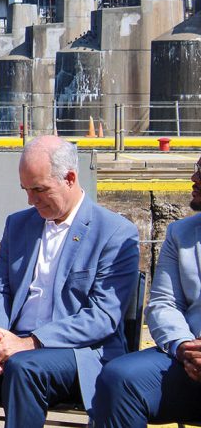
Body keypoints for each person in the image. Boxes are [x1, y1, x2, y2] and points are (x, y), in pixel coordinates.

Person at [0, 135, 140, 427]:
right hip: (13, 345)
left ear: (69, 178)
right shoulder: (18, 224)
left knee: (23, 366)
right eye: (26, 190)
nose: (31, 199)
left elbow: (102, 318)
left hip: (75, 354)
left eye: (40, 189)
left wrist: (30, 343)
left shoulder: (115, 232)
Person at [92, 154, 201, 427]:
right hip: (190, 358)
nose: (194, 179)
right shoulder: (181, 233)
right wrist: (183, 348)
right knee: (120, 378)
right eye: (197, 169)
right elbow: (164, 304)